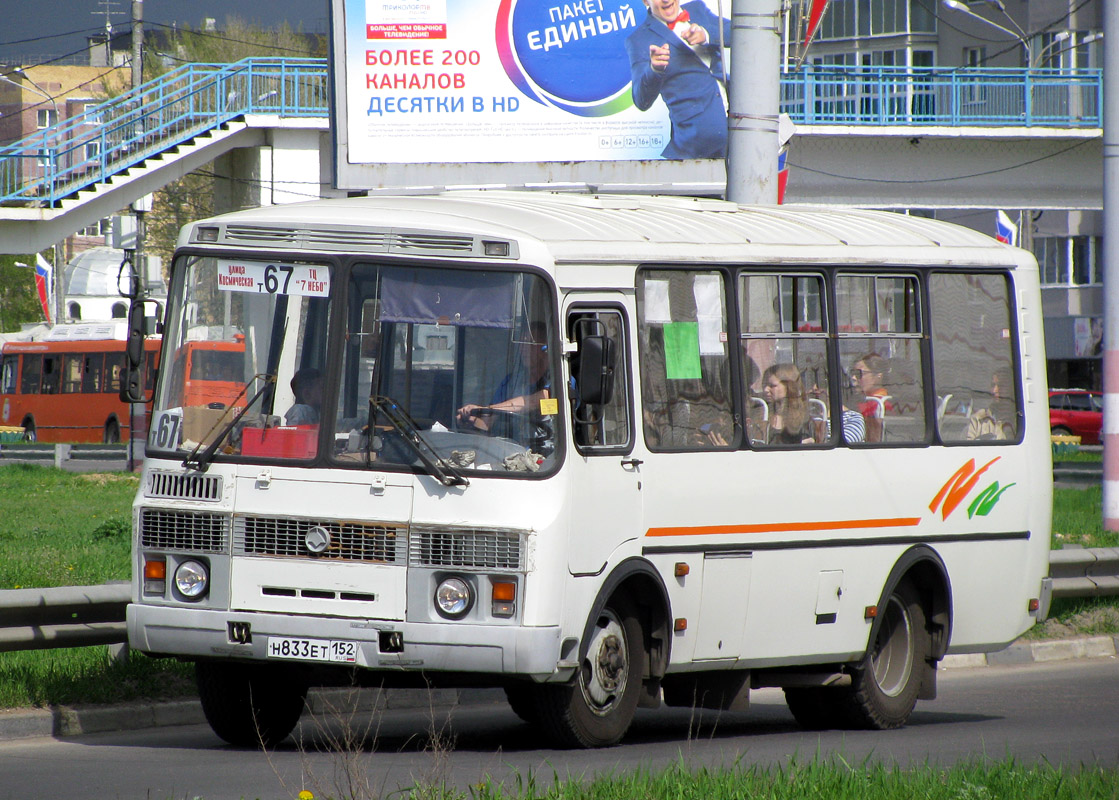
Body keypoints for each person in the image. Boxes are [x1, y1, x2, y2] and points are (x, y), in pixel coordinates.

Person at [625, 0, 731, 160]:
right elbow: (641, 100)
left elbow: (739, 32)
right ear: (645, 1)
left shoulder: (698, 9)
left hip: (738, 130)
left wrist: (707, 34)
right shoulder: (639, 39)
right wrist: (654, 69)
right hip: (696, 146)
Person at [457, 324, 552, 433]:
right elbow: (488, 422)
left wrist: (485, 409)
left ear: (546, 347)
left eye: (530, 343)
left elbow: (534, 401)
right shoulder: (511, 382)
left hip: (550, 448)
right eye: (522, 343)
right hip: (516, 447)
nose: (524, 349)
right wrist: (470, 421)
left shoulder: (560, 382)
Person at [761, 363, 814, 444]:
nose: (766, 390)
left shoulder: (803, 418)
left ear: (789, 386)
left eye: (772, 386)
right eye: (765, 385)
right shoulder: (761, 412)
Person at [967, 368, 1016, 441]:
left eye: (1001, 385)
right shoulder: (978, 420)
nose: (994, 390)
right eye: (993, 385)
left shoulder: (1019, 420)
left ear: (1011, 388)